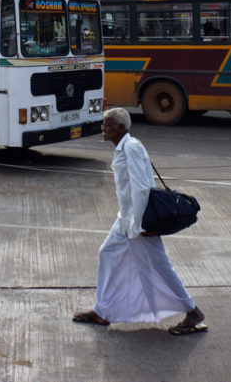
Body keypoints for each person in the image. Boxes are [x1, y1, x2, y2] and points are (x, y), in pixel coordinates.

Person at [73, 108, 205, 336]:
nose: (103, 129)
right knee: (107, 253)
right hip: (126, 219)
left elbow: (142, 188)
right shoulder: (123, 147)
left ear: (121, 128)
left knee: (159, 266)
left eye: (108, 125)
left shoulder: (131, 148)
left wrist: (141, 225)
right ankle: (102, 311)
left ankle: (193, 312)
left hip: (137, 222)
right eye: (104, 124)